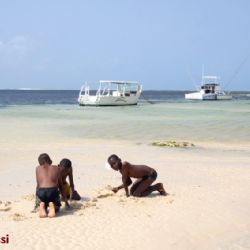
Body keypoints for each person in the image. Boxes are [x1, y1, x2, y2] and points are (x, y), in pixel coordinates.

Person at [36, 153, 69, 218]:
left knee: (42, 201)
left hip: (41, 192)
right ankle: (52, 204)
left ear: (41, 162)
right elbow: (61, 186)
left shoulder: (37, 168)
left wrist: (36, 203)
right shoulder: (56, 168)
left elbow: (38, 186)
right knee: (56, 208)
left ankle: (42, 205)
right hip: (52, 192)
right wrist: (66, 201)